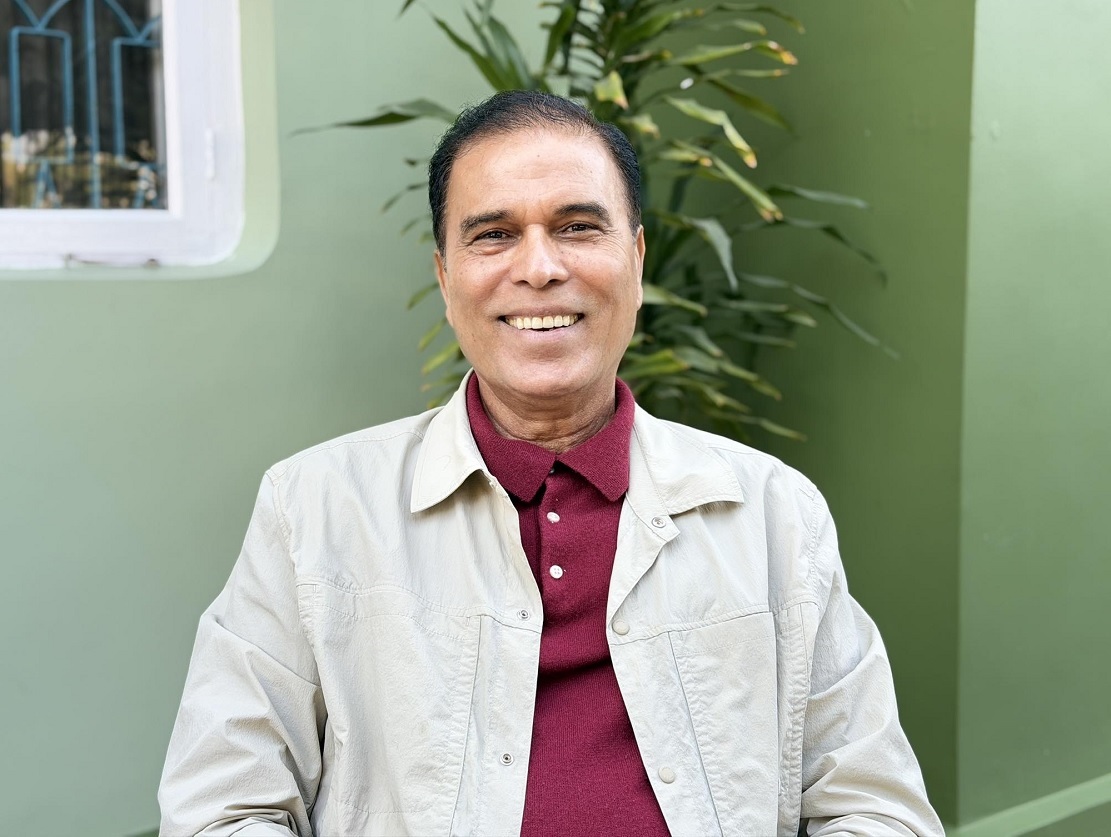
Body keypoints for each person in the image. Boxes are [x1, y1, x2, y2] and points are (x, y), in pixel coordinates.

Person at [159, 90, 943, 837]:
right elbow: (219, 808)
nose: (538, 268)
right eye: (493, 234)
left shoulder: (770, 511)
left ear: (635, 258)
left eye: (576, 227)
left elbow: (877, 807)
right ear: (445, 277)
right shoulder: (315, 508)